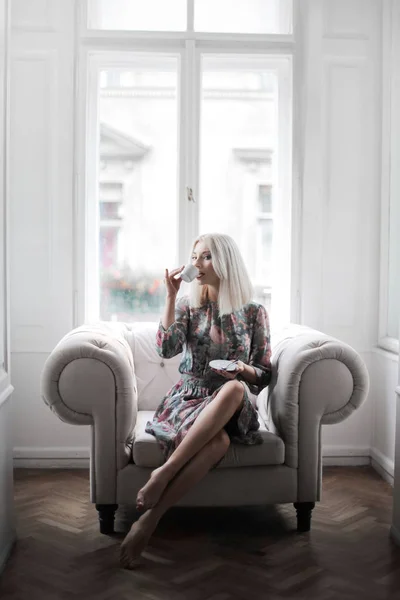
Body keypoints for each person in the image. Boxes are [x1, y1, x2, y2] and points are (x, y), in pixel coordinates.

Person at [120, 233, 272, 569]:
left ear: (224, 262)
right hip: (190, 397)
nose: (196, 265)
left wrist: (241, 368)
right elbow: (166, 349)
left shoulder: (254, 312)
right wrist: (171, 298)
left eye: (205, 257)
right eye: (194, 257)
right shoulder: (189, 306)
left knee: (233, 389)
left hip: (232, 400)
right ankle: (150, 520)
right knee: (217, 442)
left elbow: (263, 375)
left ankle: (164, 472)